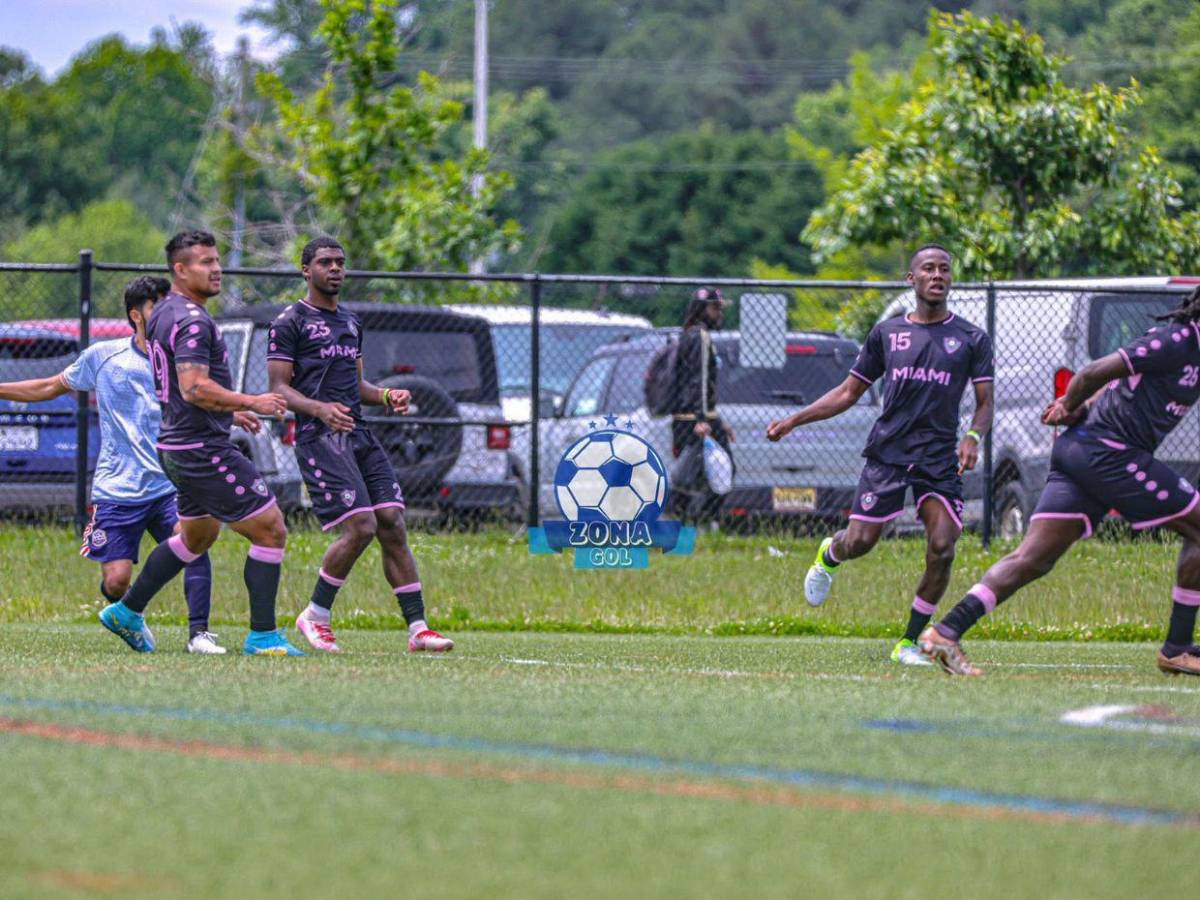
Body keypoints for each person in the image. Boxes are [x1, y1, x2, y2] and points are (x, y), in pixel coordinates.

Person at [921, 288, 1200, 677]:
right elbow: (1092, 372)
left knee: (1033, 559)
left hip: (1085, 454)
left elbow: (1120, 383)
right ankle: (1178, 647)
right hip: (1108, 452)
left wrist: (1083, 409)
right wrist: (1072, 405)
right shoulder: (1176, 340)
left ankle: (945, 633)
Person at [766, 244, 994, 665]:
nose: (937, 275)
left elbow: (984, 403)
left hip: (937, 460)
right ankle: (829, 554)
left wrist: (973, 438)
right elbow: (849, 392)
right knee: (861, 542)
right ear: (912, 279)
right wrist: (795, 420)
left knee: (943, 546)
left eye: (944, 269)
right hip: (889, 455)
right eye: (928, 268)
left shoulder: (971, 338)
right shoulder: (887, 334)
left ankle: (908, 642)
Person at [97, 229, 301, 656]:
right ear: (180, 268)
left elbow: (179, 386)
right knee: (270, 530)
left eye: (217, 261)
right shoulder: (190, 318)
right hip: (201, 448)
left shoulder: (166, 313)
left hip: (177, 445)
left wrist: (230, 410)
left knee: (196, 537)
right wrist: (252, 399)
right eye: (205, 262)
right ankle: (263, 636)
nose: (216, 269)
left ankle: (127, 611)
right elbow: (192, 387)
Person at [0, 277, 223, 653]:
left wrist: (242, 410)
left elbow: (211, 397)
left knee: (195, 542)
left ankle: (199, 634)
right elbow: (48, 387)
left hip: (171, 482)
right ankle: (128, 615)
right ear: (136, 315)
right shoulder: (103, 357)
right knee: (117, 581)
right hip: (118, 488)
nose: (171, 315)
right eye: (159, 307)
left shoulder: (184, 362)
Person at [267, 236, 454, 653]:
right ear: (306, 270)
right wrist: (319, 409)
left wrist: (388, 396)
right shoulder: (289, 322)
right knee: (362, 527)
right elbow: (279, 389)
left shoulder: (351, 322)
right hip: (320, 439)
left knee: (391, 520)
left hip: (359, 434)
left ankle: (419, 629)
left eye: (340, 262)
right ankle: (315, 614)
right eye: (325, 262)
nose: (335, 269)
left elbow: (357, 384)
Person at [670, 287, 735, 524]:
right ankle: (702, 520)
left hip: (692, 415)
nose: (719, 313)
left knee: (696, 473)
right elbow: (699, 378)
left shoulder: (687, 334)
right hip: (695, 417)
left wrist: (720, 420)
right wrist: (702, 419)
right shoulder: (699, 336)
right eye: (715, 308)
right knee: (721, 469)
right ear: (701, 309)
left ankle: (686, 520)